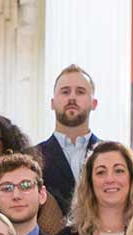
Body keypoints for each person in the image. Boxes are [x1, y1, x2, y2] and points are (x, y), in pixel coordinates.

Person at [33, 65, 102, 215]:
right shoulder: (32, 156)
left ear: (94, 103)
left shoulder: (113, 155)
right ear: (52, 103)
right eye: (65, 92)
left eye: (80, 92)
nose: (72, 97)